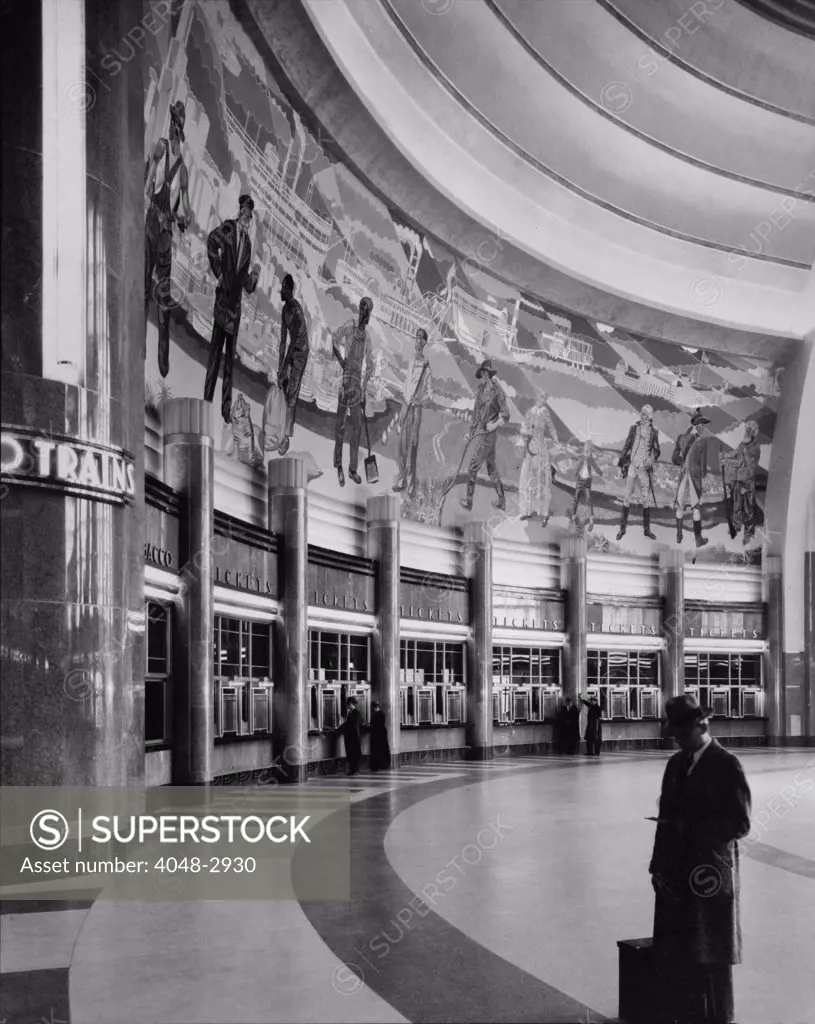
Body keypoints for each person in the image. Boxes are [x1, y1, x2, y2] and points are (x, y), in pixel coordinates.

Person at [650, 695, 751, 1024]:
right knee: (681, 953)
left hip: (709, 874)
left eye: (681, 731)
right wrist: (657, 868)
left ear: (700, 725)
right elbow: (664, 820)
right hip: (676, 874)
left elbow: (740, 822)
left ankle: (721, 1019)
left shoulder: (727, 764)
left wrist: (694, 828)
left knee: (713, 954)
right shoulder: (675, 764)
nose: (677, 738)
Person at [204, 194, 260, 423]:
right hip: (222, 304)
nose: (247, 220)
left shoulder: (247, 244)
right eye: (246, 215)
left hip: (235, 310)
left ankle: (225, 410)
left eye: (250, 217)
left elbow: (247, 286)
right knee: (214, 356)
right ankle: (206, 401)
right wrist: (217, 272)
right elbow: (210, 243)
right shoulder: (227, 229)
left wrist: (255, 276)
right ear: (240, 213)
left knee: (229, 364)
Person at [144, 100, 190, 378]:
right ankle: (139, 349)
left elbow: (186, 207)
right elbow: (148, 186)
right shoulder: (160, 149)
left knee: (164, 299)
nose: (174, 130)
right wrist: (159, 214)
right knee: (141, 288)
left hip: (165, 237)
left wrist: (185, 219)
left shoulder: (183, 170)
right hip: (151, 227)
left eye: (178, 126)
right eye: (174, 123)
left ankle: (163, 361)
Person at [332, 298, 374, 487]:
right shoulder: (350, 325)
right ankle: (338, 465)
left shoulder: (367, 337)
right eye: (363, 309)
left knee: (356, 428)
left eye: (368, 311)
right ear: (360, 310)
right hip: (345, 381)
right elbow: (334, 337)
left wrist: (364, 387)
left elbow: (370, 364)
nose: (365, 314)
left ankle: (352, 469)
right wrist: (341, 361)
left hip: (357, 384)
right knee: (340, 425)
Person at [460, 359, 510, 511]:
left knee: (472, 467)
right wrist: (470, 432)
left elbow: (506, 414)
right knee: (491, 469)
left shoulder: (497, 392)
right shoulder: (480, 389)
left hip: (489, 435)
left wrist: (494, 424)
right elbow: (476, 414)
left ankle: (469, 502)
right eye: (482, 372)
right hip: (482, 433)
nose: (483, 375)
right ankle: (502, 501)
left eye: (485, 372)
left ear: (488, 373)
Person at [393, 328, 434, 498]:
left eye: (420, 339)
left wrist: (420, 401)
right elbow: (406, 385)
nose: (417, 341)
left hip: (416, 411)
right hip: (405, 408)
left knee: (412, 448)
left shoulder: (426, 366)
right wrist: (404, 401)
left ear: (424, 342)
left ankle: (411, 483)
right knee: (402, 446)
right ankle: (402, 478)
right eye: (416, 338)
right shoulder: (411, 360)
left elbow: (430, 395)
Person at [276, 273, 310, 456]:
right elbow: (282, 341)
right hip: (291, 350)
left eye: (283, 287)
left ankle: (286, 436)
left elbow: (293, 344)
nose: (280, 290)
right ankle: (282, 425)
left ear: (289, 290)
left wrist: (284, 368)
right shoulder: (284, 310)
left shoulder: (296, 312)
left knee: (291, 392)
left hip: (300, 353)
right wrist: (279, 366)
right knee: (283, 384)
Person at [616, 404, 660, 541]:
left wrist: (650, 460)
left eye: (645, 414)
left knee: (645, 500)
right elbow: (626, 446)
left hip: (644, 470)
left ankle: (646, 530)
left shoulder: (654, 432)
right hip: (632, 467)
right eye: (642, 413)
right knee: (626, 498)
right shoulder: (633, 429)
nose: (642, 416)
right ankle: (622, 529)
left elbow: (657, 451)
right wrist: (619, 464)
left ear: (650, 416)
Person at [517, 387, 559, 524]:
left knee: (542, 480)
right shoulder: (530, 412)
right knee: (526, 478)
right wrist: (524, 433)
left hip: (541, 450)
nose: (543, 400)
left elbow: (551, 428)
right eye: (541, 397)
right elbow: (523, 427)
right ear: (537, 397)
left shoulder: (545, 412)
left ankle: (543, 512)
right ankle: (526, 510)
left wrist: (556, 441)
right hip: (529, 449)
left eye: (545, 398)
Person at [673, 410, 712, 548]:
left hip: (683, 474)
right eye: (702, 424)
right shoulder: (702, 441)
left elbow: (674, 459)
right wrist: (704, 479)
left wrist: (682, 462)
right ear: (697, 425)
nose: (703, 427)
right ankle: (697, 538)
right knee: (696, 508)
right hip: (695, 476)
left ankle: (679, 535)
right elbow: (703, 464)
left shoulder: (681, 438)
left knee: (680, 504)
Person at [721, 420, 760, 545]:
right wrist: (726, 456)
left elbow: (745, 464)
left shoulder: (755, 448)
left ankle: (748, 534)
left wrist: (728, 462)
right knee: (737, 506)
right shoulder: (744, 443)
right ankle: (737, 527)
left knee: (748, 509)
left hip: (747, 482)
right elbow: (736, 452)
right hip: (739, 479)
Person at [570, 439, 603, 533]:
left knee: (589, 500)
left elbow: (596, 467)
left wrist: (600, 473)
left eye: (588, 450)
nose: (586, 451)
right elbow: (578, 465)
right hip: (580, 481)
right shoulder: (583, 457)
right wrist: (576, 474)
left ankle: (591, 521)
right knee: (575, 499)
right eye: (585, 449)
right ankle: (573, 519)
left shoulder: (590, 459)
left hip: (587, 482)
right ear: (584, 449)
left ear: (591, 450)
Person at [341, 695, 362, 776]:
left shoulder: (356, 713)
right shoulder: (351, 713)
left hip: (354, 737)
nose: (348, 706)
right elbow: (347, 724)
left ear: (351, 704)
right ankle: (353, 770)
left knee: (354, 754)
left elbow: (351, 725)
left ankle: (355, 770)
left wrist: (342, 729)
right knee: (350, 754)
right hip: (350, 737)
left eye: (348, 704)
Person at [369, 701, 391, 772]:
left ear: (374, 707)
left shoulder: (376, 715)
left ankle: (376, 766)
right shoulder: (382, 714)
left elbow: (373, 725)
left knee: (376, 751)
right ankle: (380, 765)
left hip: (376, 735)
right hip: (381, 735)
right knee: (380, 751)